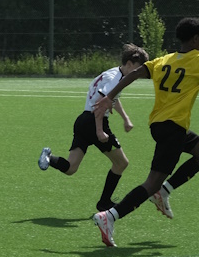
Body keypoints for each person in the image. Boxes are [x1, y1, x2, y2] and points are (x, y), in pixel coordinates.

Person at [91, 17, 199, 247]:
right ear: (195, 39)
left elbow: (134, 74)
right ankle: (110, 216)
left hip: (160, 125)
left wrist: (110, 96)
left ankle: (164, 191)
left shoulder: (165, 60)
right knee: (152, 182)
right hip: (174, 128)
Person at [38, 44, 148, 212]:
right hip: (94, 122)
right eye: (138, 69)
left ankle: (48, 157)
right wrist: (99, 130)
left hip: (83, 120)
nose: (138, 74)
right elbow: (100, 105)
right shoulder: (115, 78)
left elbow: (112, 98)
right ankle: (104, 203)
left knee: (71, 168)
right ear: (129, 63)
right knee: (121, 163)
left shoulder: (113, 73)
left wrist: (125, 118)